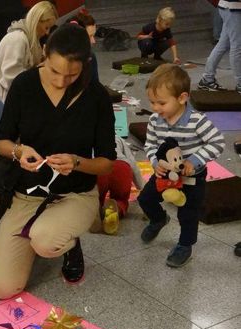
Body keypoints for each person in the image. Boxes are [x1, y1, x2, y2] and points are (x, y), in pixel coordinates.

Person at [0, 24, 116, 299]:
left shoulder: (96, 97)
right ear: (44, 53)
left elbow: (107, 162)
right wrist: (19, 152)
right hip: (28, 194)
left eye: (72, 74)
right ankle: (47, 233)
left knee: (45, 241)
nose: (60, 81)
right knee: (3, 288)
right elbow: (2, 142)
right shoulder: (24, 84)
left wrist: (77, 162)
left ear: (86, 64)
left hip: (76, 194)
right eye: (54, 71)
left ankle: (67, 243)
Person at [138, 64, 224, 268]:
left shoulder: (196, 121)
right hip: (165, 175)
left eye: (161, 103)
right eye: (152, 102)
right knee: (145, 198)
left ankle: (185, 245)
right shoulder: (154, 120)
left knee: (188, 213)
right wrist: (155, 161)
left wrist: (193, 161)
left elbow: (217, 142)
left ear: (182, 98)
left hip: (192, 178)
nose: (156, 108)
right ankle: (158, 219)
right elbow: (150, 144)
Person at [0, 1, 58, 102]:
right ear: (37, 21)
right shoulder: (17, 39)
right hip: (10, 102)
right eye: (46, 27)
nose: (47, 32)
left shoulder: (31, 39)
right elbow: (12, 80)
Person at [97, 137, 145, 235]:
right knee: (121, 199)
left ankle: (95, 211)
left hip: (100, 168)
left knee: (94, 198)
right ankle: (115, 210)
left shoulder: (86, 137)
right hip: (122, 167)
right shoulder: (118, 138)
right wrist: (142, 187)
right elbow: (132, 163)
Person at [198, 0, 241, 93]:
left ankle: (207, 78)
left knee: (223, 44)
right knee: (237, 46)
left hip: (228, 8)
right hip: (232, 8)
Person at [66, 9, 99, 82]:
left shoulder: (90, 57)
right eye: (89, 36)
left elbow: (95, 86)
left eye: (93, 36)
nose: (93, 41)